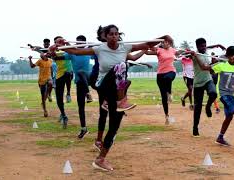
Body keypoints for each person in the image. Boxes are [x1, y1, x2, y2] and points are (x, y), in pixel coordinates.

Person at [49, 24, 165, 171]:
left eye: (116, 34)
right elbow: (75, 52)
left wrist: (162, 38)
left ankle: (101, 158)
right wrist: (59, 46)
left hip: (116, 90)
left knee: (115, 126)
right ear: (105, 36)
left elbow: (145, 45)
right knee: (121, 66)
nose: (114, 37)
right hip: (103, 85)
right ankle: (117, 103)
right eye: (111, 34)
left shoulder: (124, 48)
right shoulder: (100, 48)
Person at [191, 38, 225, 137]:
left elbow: (208, 66)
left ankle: (208, 106)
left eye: (205, 45)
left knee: (213, 93)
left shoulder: (206, 52)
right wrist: (193, 54)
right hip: (198, 83)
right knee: (197, 108)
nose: (204, 48)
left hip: (207, 79)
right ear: (197, 47)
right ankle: (195, 127)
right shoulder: (194, 55)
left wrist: (217, 45)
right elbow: (202, 66)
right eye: (201, 46)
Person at [145, 36, 181, 125]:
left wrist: (188, 52)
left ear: (169, 43)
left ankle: (169, 92)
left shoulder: (173, 50)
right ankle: (167, 116)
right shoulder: (159, 50)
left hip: (171, 71)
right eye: (164, 42)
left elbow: (179, 53)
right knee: (163, 98)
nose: (165, 43)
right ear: (161, 43)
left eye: (167, 42)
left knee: (168, 78)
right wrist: (147, 47)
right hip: (160, 75)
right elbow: (147, 52)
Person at [68, 35, 94, 139]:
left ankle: (88, 93)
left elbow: (99, 54)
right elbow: (57, 56)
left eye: (81, 42)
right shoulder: (73, 53)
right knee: (81, 107)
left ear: (85, 43)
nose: (78, 44)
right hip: (79, 83)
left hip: (89, 78)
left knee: (81, 72)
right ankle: (84, 128)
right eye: (77, 42)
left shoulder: (88, 52)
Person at [51, 36, 73, 129]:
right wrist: (51, 50)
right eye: (57, 42)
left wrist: (67, 43)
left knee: (68, 73)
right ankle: (63, 114)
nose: (60, 43)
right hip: (59, 76)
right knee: (59, 98)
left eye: (61, 41)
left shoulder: (69, 50)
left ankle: (68, 93)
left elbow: (74, 50)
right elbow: (54, 57)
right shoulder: (55, 51)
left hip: (68, 74)